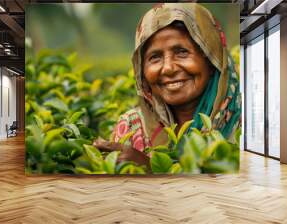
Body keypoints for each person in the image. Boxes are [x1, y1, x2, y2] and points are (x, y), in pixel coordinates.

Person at [95, 3, 241, 166]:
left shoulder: (243, 125)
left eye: (182, 52)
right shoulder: (132, 126)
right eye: (155, 57)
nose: (168, 68)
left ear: (212, 60)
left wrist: (151, 169)